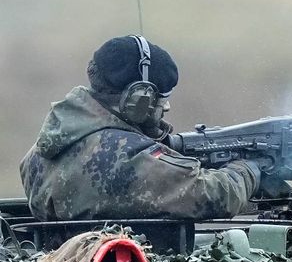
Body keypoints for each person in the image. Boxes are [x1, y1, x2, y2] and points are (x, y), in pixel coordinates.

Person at [20, 35, 264, 221]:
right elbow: (214, 195)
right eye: (160, 99)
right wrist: (249, 169)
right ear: (139, 98)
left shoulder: (38, 154)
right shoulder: (125, 155)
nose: (165, 107)